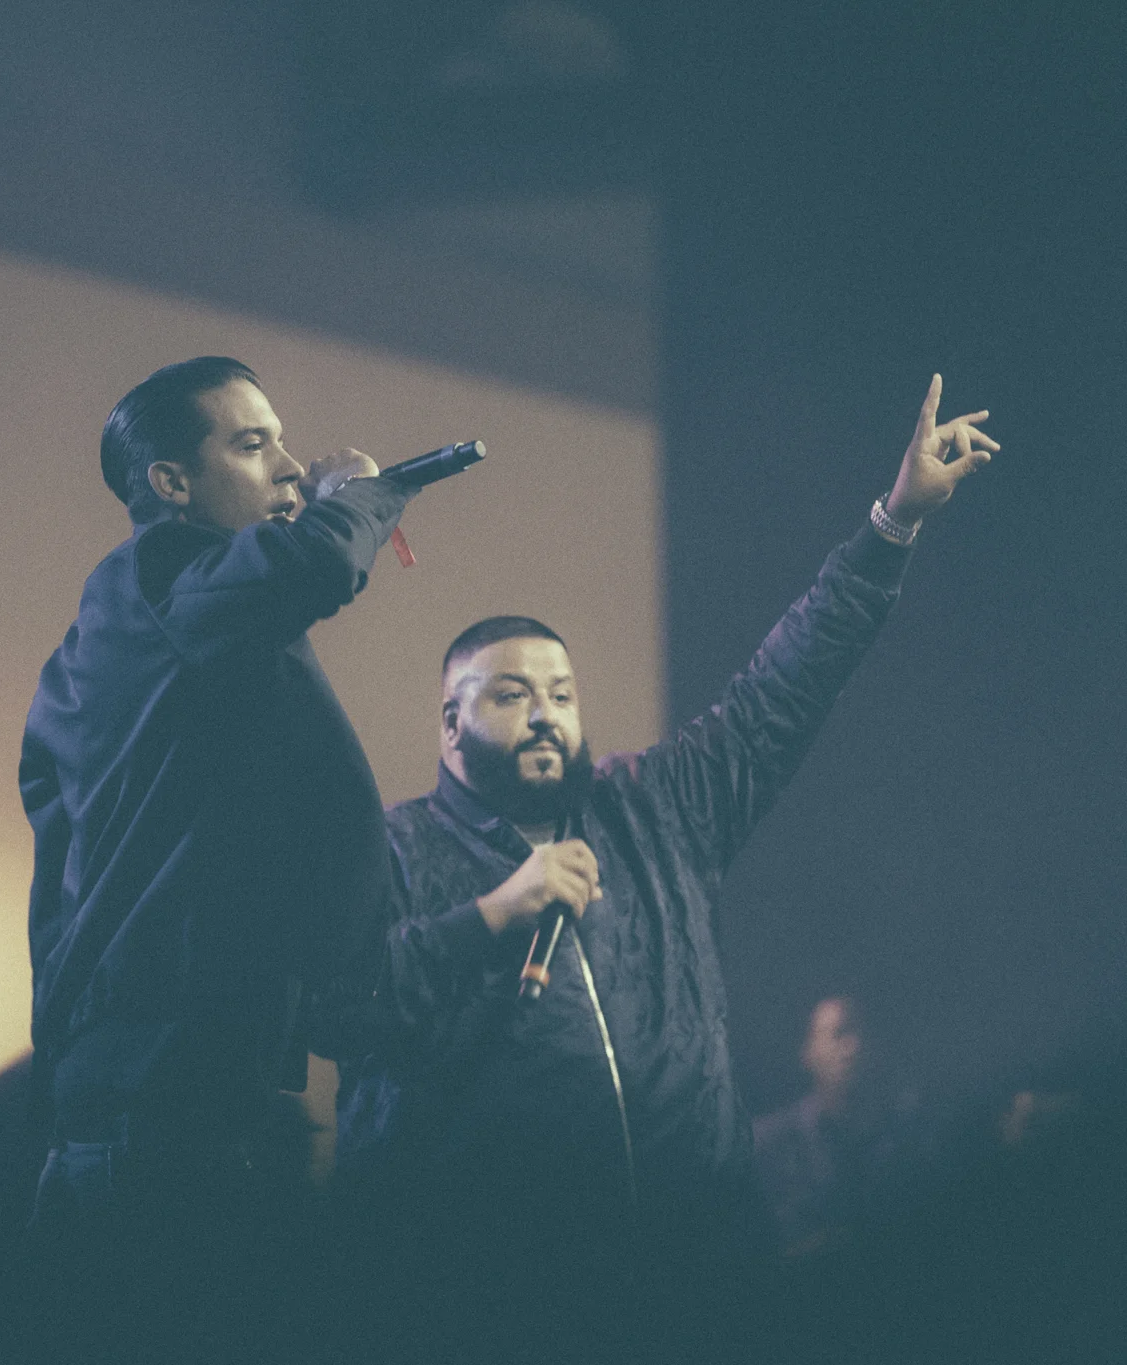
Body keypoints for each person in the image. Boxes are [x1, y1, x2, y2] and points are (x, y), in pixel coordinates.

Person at [328, 375, 996, 1361]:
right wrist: (494, 915)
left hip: (686, 1271)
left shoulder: (652, 808)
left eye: (559, 689)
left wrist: (890, 524)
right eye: (510, 694)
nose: (546, 711)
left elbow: (782, 685)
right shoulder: (394, 847)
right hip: (488, 1295)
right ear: (449, 720)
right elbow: (342, 1009)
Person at [20, 356, 417, 1359]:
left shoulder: (181, 637)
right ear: (169, 485)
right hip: (161, 1094)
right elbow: (310, 567)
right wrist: (357, 498)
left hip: (175, 1080)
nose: (289, 468)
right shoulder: (150, 576)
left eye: (285, 443)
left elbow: (53, 821)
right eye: (251, 445)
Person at [752, 995, 931, 1261]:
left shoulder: (910, 1141)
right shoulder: (765, 1145)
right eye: (839, 1034)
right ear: (807, 1052)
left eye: (863, 1033)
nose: (854, 1046)